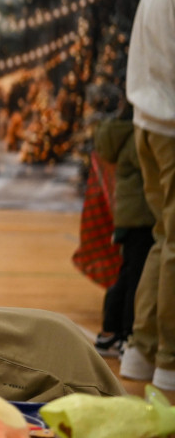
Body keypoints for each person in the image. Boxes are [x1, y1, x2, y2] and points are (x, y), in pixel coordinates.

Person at [121, 0, 175, 390]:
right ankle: (171, 362)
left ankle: (142, 351)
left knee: (165, 238)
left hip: (151, 122)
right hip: (171, 128)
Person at [93, 114, 153, 357]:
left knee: (129, 274)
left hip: (130, 215)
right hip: (142, 215)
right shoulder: (140, 134)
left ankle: (111, 332)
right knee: (136, 279)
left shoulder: (122, 132)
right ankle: (127, 336)